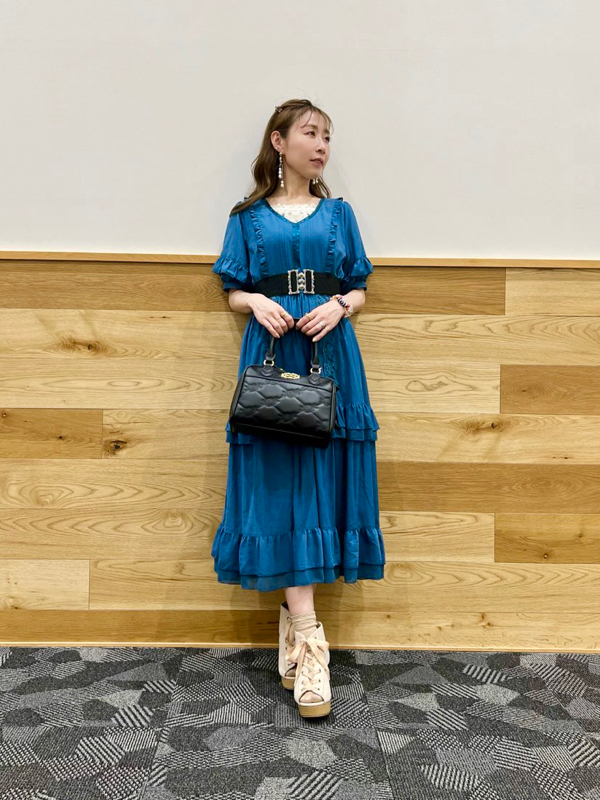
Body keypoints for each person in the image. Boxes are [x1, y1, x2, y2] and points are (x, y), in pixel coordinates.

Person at [211, 99, 386, 718]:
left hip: (330, 354)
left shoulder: (340, 215)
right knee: (282, 485)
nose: (322, 146)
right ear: (279, 142)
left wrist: (339, 307)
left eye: (328, 136)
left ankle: (297, 627)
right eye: (311, 133)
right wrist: (255, 302)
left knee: (320, 482)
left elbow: (359, 285)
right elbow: (231, 288)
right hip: (272, 353)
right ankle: (310, 641)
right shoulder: (247, 218)